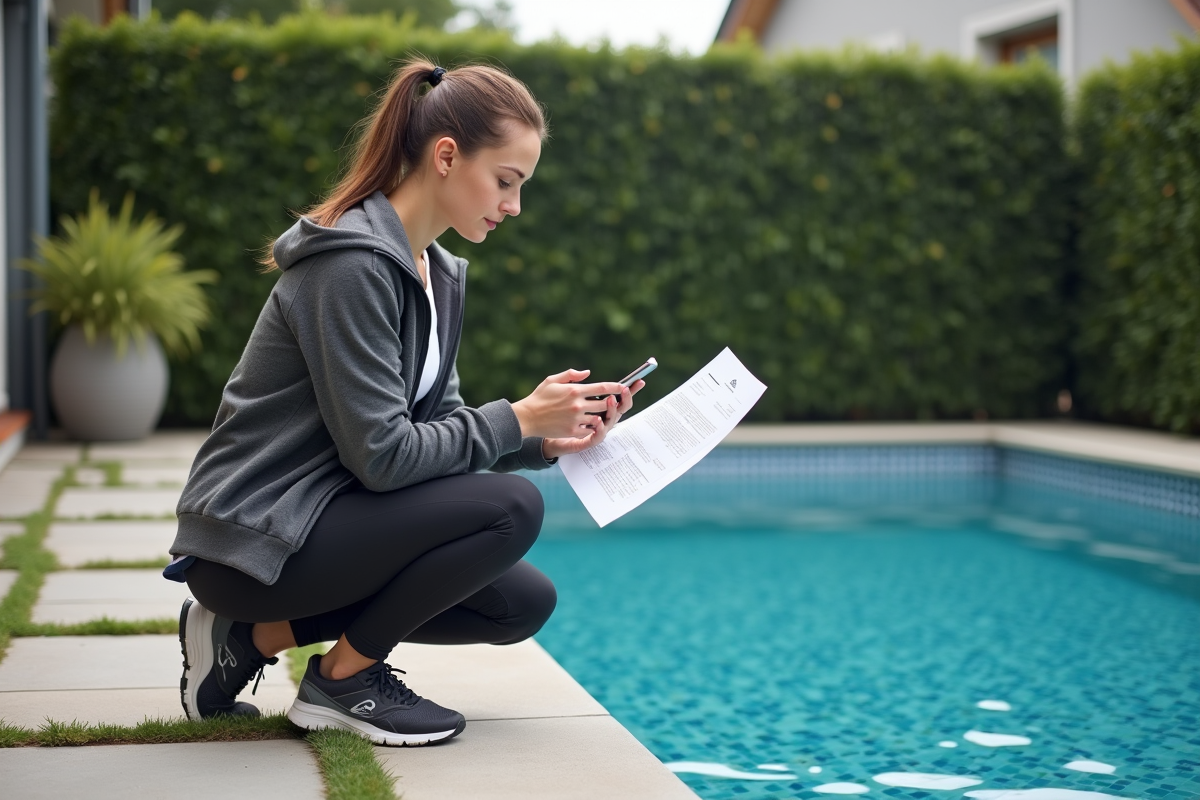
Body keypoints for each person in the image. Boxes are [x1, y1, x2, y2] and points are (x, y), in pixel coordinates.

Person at [165, 58, 644, 747]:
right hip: (254, 542)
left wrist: (543, 440)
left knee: (520, 603)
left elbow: (436, 432)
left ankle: (252, 638)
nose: (514, 205)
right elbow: (385, 458)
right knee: (510, 511)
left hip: (322, 520)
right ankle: (342, 683)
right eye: (506, 181)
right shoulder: (351, 266)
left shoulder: (435, 274)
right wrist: (517, 416)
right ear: (446, 156)